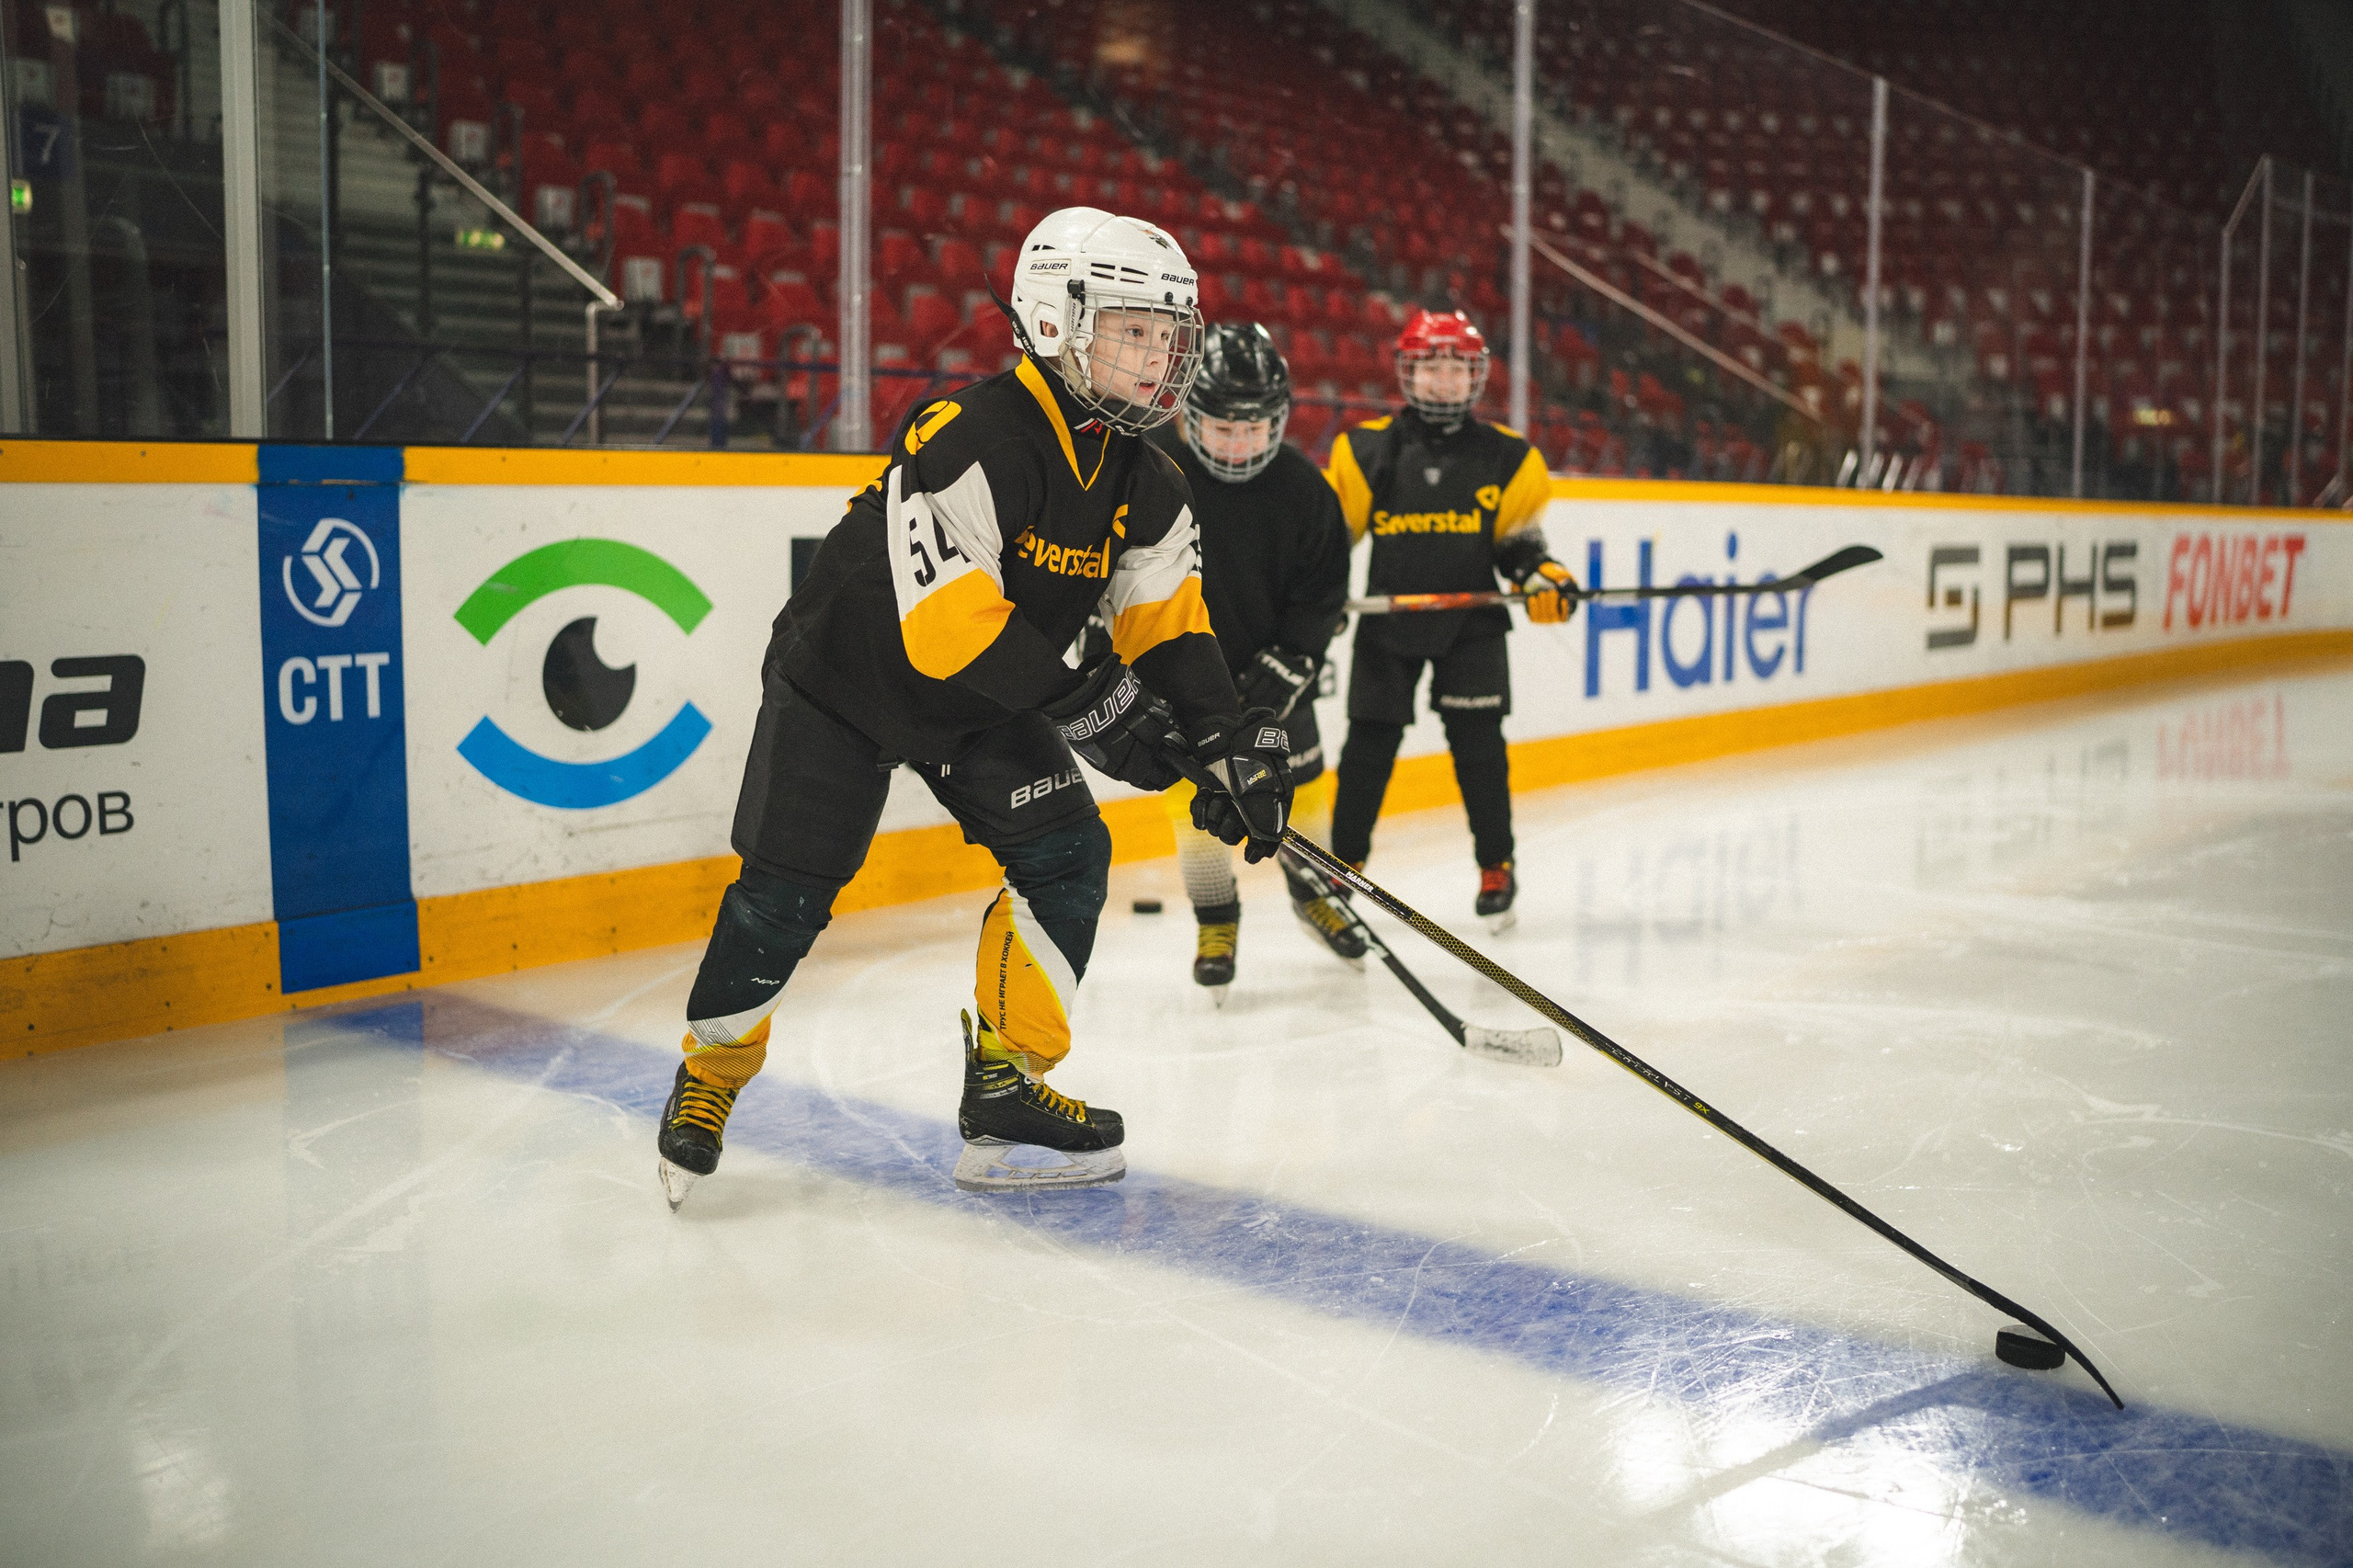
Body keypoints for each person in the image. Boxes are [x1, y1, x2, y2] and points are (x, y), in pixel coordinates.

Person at [654, 208, 1293, 1207]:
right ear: (1053, 320)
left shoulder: (1150, 480)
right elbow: (950, 628)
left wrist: (1227, 741)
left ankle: (1005, 1083)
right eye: (1133, 329)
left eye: (1168, 333)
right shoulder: (969, 435)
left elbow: (1167, 628)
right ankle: (708, 1076)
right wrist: (1103, 714)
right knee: (785, 894)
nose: (1157, 355)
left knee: (1067, 853)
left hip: (985, 695)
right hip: (847, 680)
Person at [1324, 308, 1575, 930]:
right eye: (1430, 366)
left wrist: (1541, 575)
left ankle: (1497, 864)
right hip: (1389, 618)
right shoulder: (1367, 448)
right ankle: (1344, 864)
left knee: (1479, 749)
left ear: (1475, 376)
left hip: (1473, 623)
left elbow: (1519, 547)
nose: (1442, 380)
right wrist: (1316, 596)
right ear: (1409, 373)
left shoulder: (1507, 458)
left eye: (1455, 367)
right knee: (1368, 746)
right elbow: (1333, 543)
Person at [1145, 322, 1359, 999]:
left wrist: (1295, 656)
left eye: (1255, 429)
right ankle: (1216, 918)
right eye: (1223, 430)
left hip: (1273, 680)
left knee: (1306, 788)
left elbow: (1323, 588)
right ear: (1189, 416)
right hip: (1181, 676)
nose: (1240, 446)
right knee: (1199, 810)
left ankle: (1315, 891)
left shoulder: (1303, 489)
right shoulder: (1147, 469)